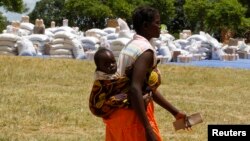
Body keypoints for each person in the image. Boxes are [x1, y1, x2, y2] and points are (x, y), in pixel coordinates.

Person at [103, 6, 189, 141]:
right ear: (145, 25)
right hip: (133, 118)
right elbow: (135, 89)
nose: (160, 27)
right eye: (157, 23)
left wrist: (175, 112)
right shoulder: (145, 51)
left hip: (117, 116)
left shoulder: (131, 46)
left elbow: (146, 88)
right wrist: (148, 129)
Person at [89, 47, 161, 118]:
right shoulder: (102, 79)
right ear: (99, 68)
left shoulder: (112, 73)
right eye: (106, 64)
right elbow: (121, 83)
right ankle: (133, 106)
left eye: (113, 62)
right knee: (125, 96)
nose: (111, 65)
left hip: (108, 103)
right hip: (100, 108)